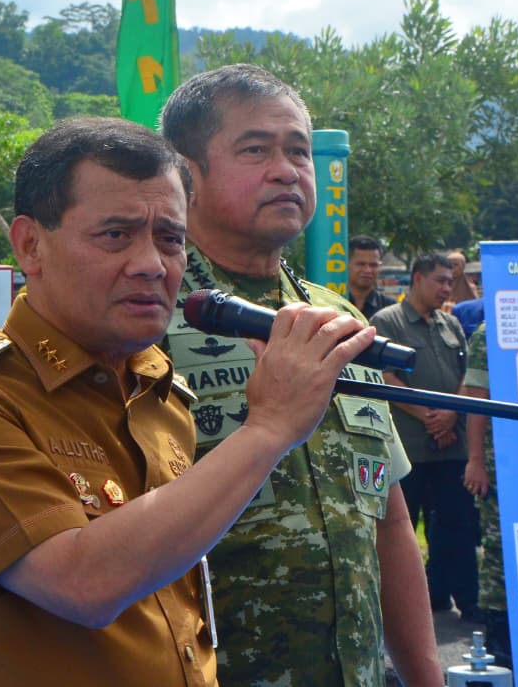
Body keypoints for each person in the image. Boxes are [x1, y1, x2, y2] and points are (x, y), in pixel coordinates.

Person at [0, 117, 379, 687]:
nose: (152, 263)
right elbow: (83, 583)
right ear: (30, 245)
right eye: (116, 234)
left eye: (170, 238)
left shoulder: (162, 393)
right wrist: (268, 427)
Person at [159, 64, 441, 686]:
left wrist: (427, 678)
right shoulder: (147, 318)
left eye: (299, 152)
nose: (287, 170)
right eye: (256, 150)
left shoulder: (337, 318)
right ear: (186, 174)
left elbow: (388, 519)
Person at [371, 253, 479, 623]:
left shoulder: (451, 324)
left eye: (450, 282)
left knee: (457, 528)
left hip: (453, 446)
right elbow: (384, 377)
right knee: (399, 531)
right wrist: (430, 416)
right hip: (409, 449)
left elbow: (467, 376)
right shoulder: (388, 321)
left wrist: (452, 413)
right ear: (416, 279)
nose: (446, 288)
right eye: (439, 281)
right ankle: (399, 612)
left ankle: (462, 600)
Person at [462, 323, 510, 668]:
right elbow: (476, 402)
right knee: (499, 553)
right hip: (500, 463)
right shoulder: (488, 331)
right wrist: (476, 460)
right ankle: (499, 643)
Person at [346, 234, 396, 320]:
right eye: (361, 264)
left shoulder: (390, 308)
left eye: (373, 265)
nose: (367, 270)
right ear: (346, 264)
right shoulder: (332, 302)